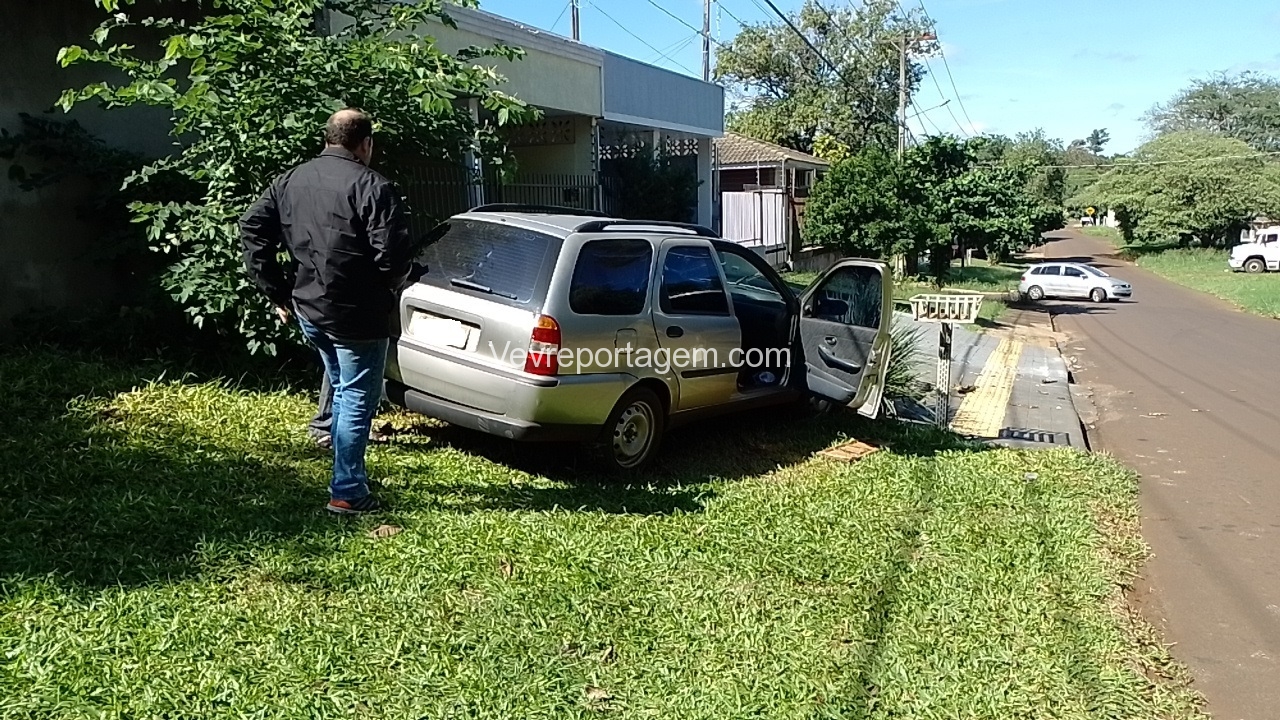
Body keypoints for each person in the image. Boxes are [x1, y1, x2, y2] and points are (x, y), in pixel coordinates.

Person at [241, 108, 413, 515]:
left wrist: (278, 292)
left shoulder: (290, 180)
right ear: (366, 144)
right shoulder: (372, 186)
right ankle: (347, 491)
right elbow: (393, 258)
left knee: (341, 388)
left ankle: (345, 473)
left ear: (328, 138)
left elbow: (251, 228)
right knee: (354, 399)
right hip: (357, 316)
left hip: (309, 309)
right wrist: (392, 287)